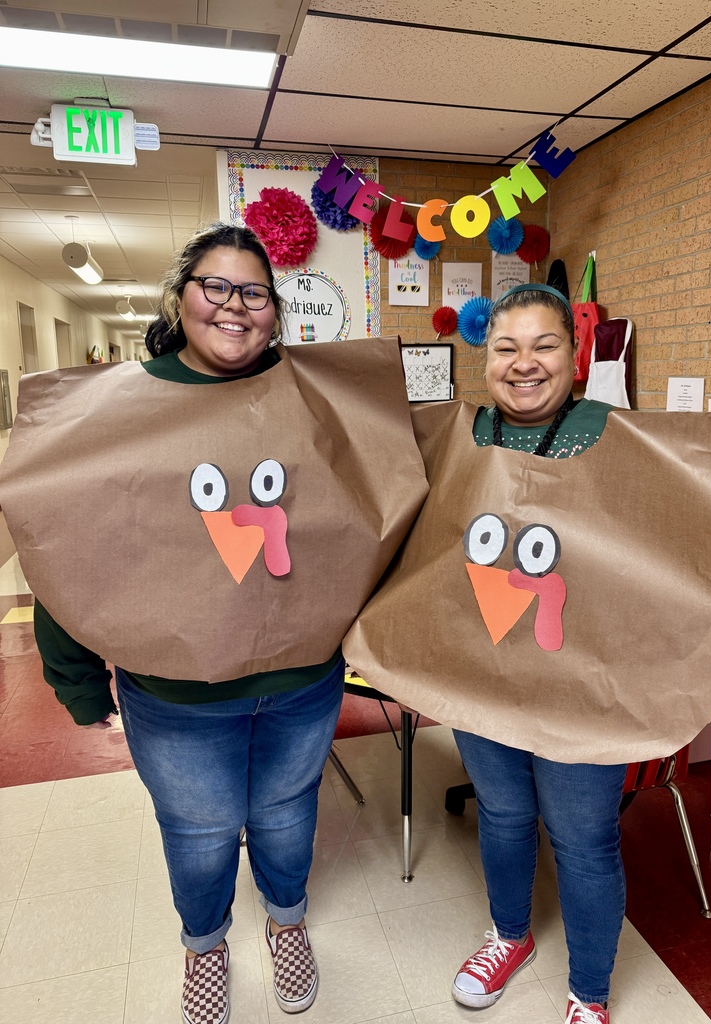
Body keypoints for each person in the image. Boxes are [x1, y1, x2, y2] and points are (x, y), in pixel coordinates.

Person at [27, 223, 426, 1024]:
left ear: (276, 312)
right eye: (216, 286)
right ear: (181, 298)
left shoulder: (323, 402)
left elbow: (379, 520)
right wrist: (75, 679)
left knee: (287, 814)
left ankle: (286, 923)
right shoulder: (119, 410)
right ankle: (203, 944)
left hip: (301, 683)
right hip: (175, 699)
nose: (235, 306)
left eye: (255, 292)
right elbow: (67, 546)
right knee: (199, 831)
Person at [449, 284, 622, 1024]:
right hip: (482, 673)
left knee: (584, 840)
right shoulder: (460, 438)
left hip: (584, 683)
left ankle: (589, 993)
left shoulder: (618, 438)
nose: (524, 364)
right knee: (505, 814)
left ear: (575, 355)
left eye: (544, 345)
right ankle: (509, 935)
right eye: (506, 348)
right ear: (485, 360)